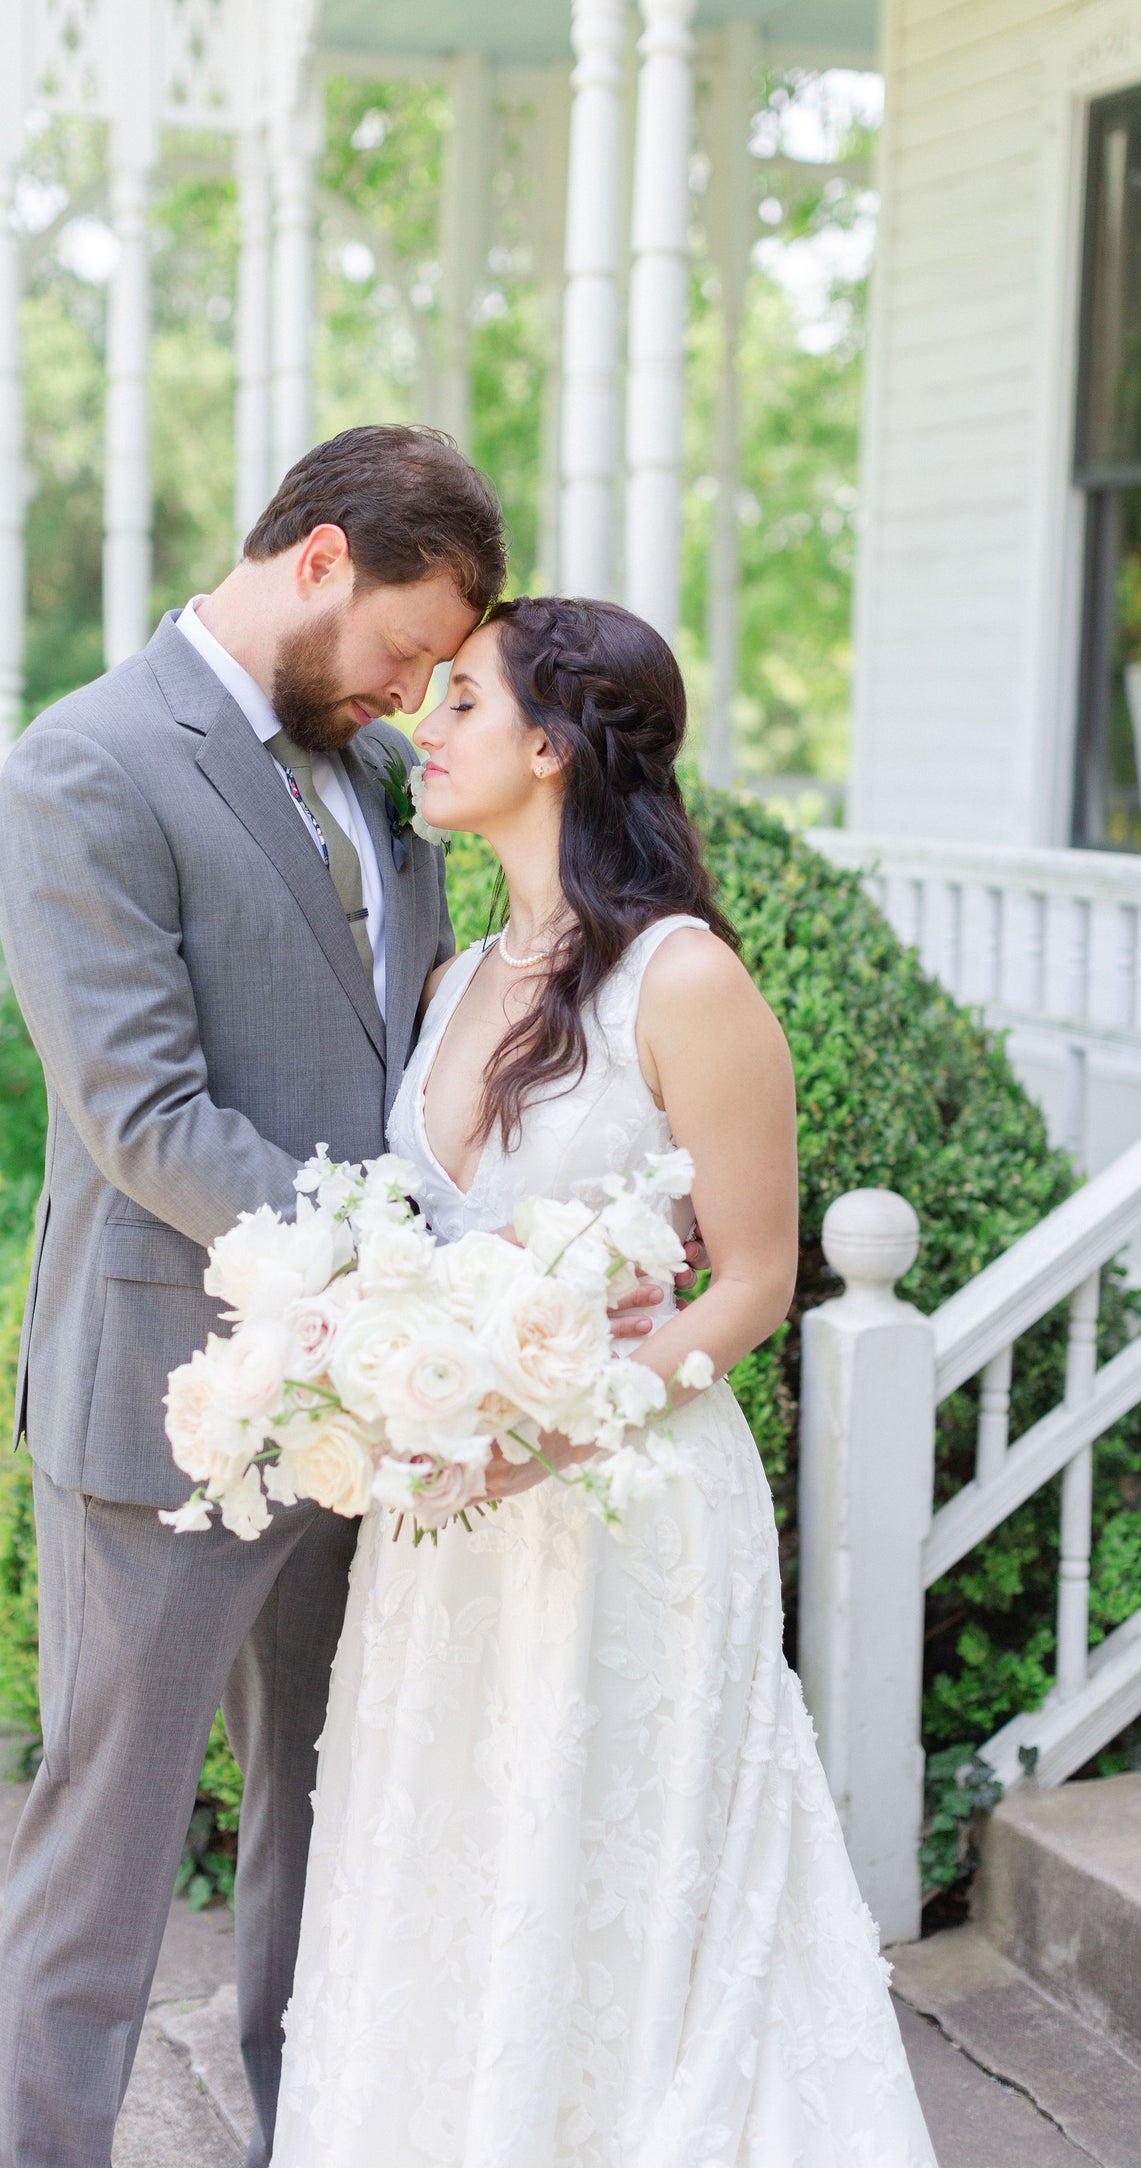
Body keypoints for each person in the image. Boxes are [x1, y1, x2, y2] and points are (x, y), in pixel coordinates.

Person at [272, 595, 940, 2167]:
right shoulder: (444, 981)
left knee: (609, 1878)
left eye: (459, 704)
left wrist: (565, 1415)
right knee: (450, 1865)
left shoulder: (682, 981)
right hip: (451, 1518)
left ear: (554, 746)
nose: (420, 731)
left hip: (626, 1509)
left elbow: (759, 1278)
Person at [0, 425, 505, 2168]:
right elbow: (141, 1112)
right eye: (404, 651)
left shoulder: (368, 772)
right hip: (166, 1405)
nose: (411, 695)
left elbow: (407, 1042)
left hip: (370, 1417)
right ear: (320, 559)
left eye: (441, 675)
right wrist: (401, 1265)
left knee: (323, 1823)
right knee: (104, 1859)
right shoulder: (89, 766)